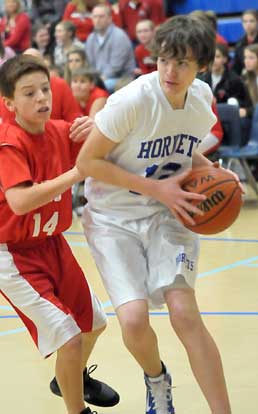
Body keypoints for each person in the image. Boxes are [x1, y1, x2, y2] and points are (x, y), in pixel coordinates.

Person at [76, 15, 235, 414]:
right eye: (164, 60)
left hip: (168, 211)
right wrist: (156, 188)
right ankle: (157, 379)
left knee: (185, 313)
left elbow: (182, 153)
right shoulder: (132, 101)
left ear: (202, 65)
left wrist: (217, 174)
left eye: (182, 62)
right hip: (113, 216)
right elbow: (87, 161)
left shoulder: (200, 100)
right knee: (132, 320)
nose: (170, 70)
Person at [0, 54, 120, 414]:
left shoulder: (58, 131)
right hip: (13, 253)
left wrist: (95, 127)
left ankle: (72, 378)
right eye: (29, 93)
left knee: (95, 323)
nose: (41, 98)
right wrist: (76, 173)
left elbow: (103, 146)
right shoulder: (8, 143)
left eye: (44, 89)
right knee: (68, 337)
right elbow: (20, 201)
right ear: (9, 103)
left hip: (52, 243)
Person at [86, 3, 136, 93]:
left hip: (122, 79)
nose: (97, 20)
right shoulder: (91, 38)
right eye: (95, 17)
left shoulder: (119, 36)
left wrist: (98, 81)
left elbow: (115, 68)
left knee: (103, 86)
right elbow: (90, 64)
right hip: (100, 78)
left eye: (101, 17)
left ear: (109, 18)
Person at [232, 9, 258, 76]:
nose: (248, 24)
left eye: (251, 21)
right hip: (246, 79)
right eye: (245, 21)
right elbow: (236, 67)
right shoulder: (239, 43)